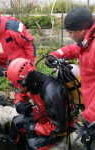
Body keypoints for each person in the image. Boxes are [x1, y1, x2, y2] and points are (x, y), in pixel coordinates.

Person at [45, 6, 95, 148]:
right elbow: (73, 49)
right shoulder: (87, 41)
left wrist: (90, 115)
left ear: (82, 30)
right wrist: (55, 54)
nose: (69, 35)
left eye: (71, 32)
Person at [6, 58, 77, 150]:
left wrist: (33, 127)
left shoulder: (51, 94)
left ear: (28, 79)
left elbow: (58, 128)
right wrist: (19, 104)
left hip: (62, 126)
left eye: (22, 87)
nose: (21, 90)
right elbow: (20, 91)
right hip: (45, 114)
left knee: (32, 145)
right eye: (18, 87)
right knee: (16, 123)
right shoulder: (30, 82)